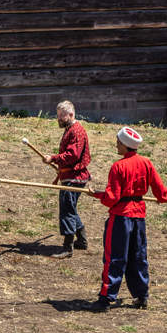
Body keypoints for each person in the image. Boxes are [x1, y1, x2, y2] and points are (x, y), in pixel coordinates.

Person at [88, 126, 167, 312]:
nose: (116, 145)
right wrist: (162, 198)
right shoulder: (146, 163)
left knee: (115, 257)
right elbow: (160, 190)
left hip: (121, 217)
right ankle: (141, 295)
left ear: (125, 145)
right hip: (139, 216)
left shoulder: (119, 166)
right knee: (138, 256)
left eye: (118, 142)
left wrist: (99, 195)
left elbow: (112, 198)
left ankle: (106, 297)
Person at [45, 101, 92, 259]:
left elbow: (73, 156)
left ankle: (68, 247)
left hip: (74, 177)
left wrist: (53, 158)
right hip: (70, 176)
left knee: (67, 210)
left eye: (61, 116)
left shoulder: (76, 131)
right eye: (58, 116)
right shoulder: (70, 130)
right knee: (70, 208)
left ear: (71, 114)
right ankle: (82, 240)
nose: (59, 119)